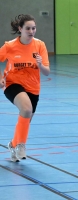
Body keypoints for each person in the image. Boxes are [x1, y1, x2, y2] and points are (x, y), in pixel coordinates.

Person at [0, 14, 50, 162]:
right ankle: (21, 145)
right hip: (12, 84)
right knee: (26, 109)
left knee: (27, 118)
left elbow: (47, 72)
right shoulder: (10, 46)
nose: (31, 31)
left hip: (33, 87)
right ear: (20, 29)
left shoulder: (40, 45)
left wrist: (40, 65)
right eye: (28, 28)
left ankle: (13, 144)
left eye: (33, 28)